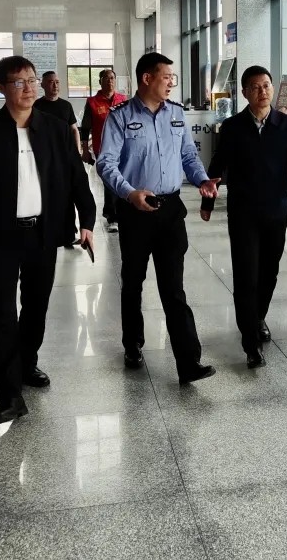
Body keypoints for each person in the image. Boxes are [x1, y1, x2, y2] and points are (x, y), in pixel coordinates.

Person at [0, 55, 96, 424]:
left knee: (36, 306)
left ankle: (27, 363)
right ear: (1, 87)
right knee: (2, 312)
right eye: (18, 82)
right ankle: (8, 394)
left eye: (32, 80)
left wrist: (86, 222)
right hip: (0, 236)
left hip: (43, 233)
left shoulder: (55, 129)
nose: (28, 88)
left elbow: (77, 179)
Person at [97, 52, 218, 384]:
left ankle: (189, 362)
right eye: (167, 77)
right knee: (133, 282)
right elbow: (105, 163)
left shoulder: (176, 113)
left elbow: (188, 155)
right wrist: (129, 193)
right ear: (147, 78)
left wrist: (202, 179)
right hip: (135, 210)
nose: (171, 83)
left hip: (171, 211)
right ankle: (133, 343)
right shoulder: (120, 117)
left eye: (172, 78)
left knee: (173, 288)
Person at [199, 65, 287, 368]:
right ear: (244, 93)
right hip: (243, 213)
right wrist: (208, 203)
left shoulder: (286, 125)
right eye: (255, 87)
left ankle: (257, 316)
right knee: (246, 276)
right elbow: (217, 166)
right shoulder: (233, 127)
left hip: (276, 211)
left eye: (266, 85)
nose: (262, 91)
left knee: (268, 273)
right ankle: (250, 342)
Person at [34, 70, 83, 249]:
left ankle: (69, 234)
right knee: (46, 194)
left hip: (65, 157)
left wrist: (77, 152)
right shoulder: (37, 105)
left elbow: (74, 129)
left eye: (57, 82)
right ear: (42, 85)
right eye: (50, 82)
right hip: (44, 158)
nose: (55, 85)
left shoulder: (66, 106)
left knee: (68, 195)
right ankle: (46, 231)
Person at [80, 69, 127, 233]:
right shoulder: (92, 102)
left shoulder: (123, 100)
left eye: (112, 78)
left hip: (123, 148)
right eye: (106, 78)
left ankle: (123, 213)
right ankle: (112, 217)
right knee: (110, 181)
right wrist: (85, 150)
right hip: (103, 149)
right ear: (100, 81)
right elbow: (85, 128)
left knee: (124, 179)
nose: (110, 81)